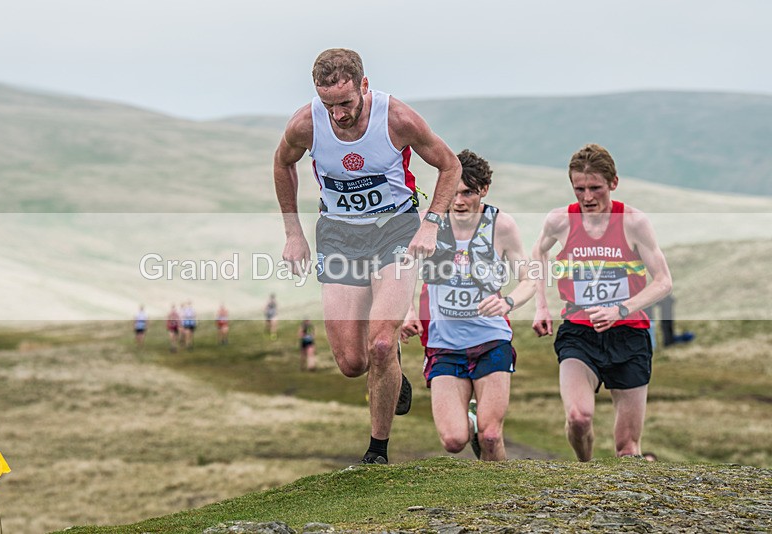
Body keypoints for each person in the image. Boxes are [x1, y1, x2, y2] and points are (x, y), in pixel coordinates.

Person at [273, 48, 461, 464]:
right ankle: (390, 359)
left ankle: (377, 451)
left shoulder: (397, 119)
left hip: (394, 230)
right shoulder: (306, 124)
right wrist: (293, 232)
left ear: (363, 85)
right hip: (339, 236)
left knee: (377, 342)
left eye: (345, 103)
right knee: (352, 362)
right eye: (328, 105)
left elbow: (450, 165)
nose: (338, 114)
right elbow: (283, 163)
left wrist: (432, 222)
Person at [532, 143, 673, 461]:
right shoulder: (560, 221)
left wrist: (620, 309)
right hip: (579, 335)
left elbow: (663, 281)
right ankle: (586, 468)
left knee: (627, 448)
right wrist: (541, 305)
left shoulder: (634, 223)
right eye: (579, 189)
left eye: (595, 188)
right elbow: (538, 252)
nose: (587, 197)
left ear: (613, 183)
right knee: (579, 418)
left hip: (629, 335)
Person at [401, 150, 535, 461]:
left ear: (484, 190)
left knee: (491, 436)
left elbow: (529, 278)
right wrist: (407, 311)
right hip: (444, 344)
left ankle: (502, 499)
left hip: (491, 339)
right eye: (454, 192)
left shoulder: (501, 225)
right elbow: (403, 271)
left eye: (468, 193)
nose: (459, 201)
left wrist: (508, 302)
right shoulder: (427, 225)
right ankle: (469, 421)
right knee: (453, 440)